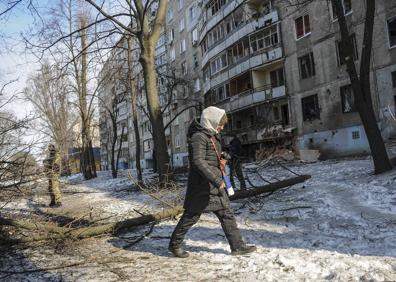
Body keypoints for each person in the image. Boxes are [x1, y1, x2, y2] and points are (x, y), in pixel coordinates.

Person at [168, 106, 256, 258]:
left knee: (227, 213)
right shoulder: (198, 137)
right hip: (202, 186)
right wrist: (216, 180)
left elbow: (210, 155)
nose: (221, 127)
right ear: (211, 121)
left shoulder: (211, 135)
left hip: (215, 184)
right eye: (220, 124)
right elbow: (198, 161)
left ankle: (237, 246)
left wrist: (223, 155)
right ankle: (174, 244)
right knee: (192, 216)